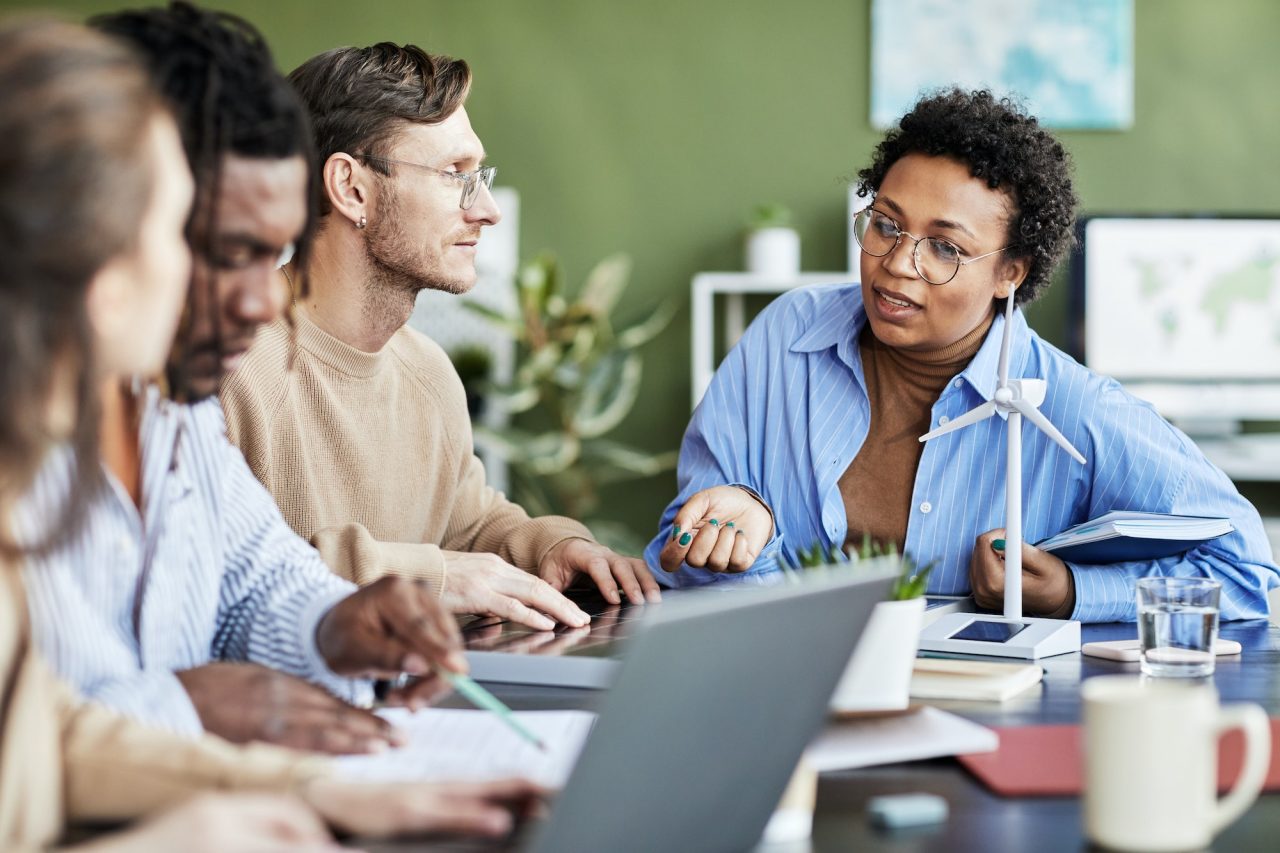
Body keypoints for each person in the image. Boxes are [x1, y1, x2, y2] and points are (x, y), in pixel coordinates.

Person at [0, 17, 538, 851]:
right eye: (215, 248)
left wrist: (336, 626)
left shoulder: (169, 410)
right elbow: (41, 739)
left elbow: (257, 577)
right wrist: (200, 713)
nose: (261, 300)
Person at [648, 89, 1278, 623]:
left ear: (1010, 272)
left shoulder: (1075, 407)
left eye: (945, 249)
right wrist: (746, 532)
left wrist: (1071, 592)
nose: (896, 264)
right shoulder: (786, 338)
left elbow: (1247, 571)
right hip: (776, 695)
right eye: (886, 225)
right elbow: (678, 553)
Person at [218, 41, 662, 627]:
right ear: (351, 189)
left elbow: (469, 524)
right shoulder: (222, 365)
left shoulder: (427, 371)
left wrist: (553, 548)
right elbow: (217, 572)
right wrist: (434, 575)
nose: (487, 211)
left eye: (478, 175)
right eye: (455, 175)